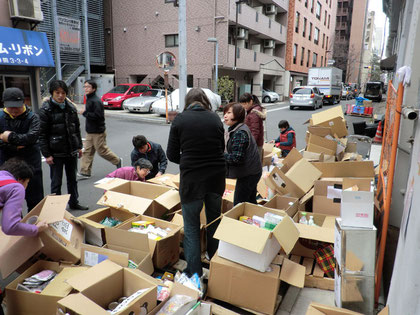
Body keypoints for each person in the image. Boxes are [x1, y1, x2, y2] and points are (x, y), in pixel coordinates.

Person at [167, 88, 226, 278]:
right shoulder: (215, 118)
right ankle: (214, 260)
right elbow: (221, 148)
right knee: (214, 222)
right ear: (204, 101)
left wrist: (189, 158)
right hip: (216, 178)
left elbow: (172, 154)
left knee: (191, 227)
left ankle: (194, 272)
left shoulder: (180, 119)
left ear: (188, 101)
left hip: (192, 181)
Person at [39, 80, 88, 210]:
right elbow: (41, 135)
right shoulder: (45, 110)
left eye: (63, 93)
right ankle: (56, 208)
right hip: (55, 153)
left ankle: (74, 202)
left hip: (71, 150)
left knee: (72, 180)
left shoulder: (70, 107)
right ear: (52, 93)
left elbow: (76, 129)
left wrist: (79, 147)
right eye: (57, 93)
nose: (60, 95)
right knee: (56, 182)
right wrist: (47, 154)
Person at [0, 87, 44, 210]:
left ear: (24, 102)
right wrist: (16, 145)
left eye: (17, 106)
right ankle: (16, 226)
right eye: (10, 107)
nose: (14, 110)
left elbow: (31, 137)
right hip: (7, 164)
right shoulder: (0, 116)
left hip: (31, 163)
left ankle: (35, 226)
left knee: (35, 200)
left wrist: (8, 137)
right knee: (11, 202)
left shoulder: (33, 117)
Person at [78, 80, 122, 178]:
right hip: (90, 131)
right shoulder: (89, 99)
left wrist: (84, 113)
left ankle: (117, 161)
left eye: (88, 87)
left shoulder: (96, 101)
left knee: (102, 151)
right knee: (87, 151)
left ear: (93, 89)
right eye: (85, 87)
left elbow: (98, 116)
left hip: (98, 131)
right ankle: (85, 171)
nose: (86, 89)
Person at [223, 103, 262, 205]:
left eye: (229, 113)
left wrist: (219, 155)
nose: (225, 115)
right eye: (225, 113)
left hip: (249, 174)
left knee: (239, 204)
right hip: (251, 171)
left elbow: (236, 158)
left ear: (237, 115)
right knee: (250, 202)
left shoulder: (240, 132)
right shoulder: (236, 128)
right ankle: (254, 218)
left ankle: (241, 221)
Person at [0, 158, 48, 236]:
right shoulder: (16, 187)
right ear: (21, 179)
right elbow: (10, 227)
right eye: (27, 182)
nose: (26, 187)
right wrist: (36, 228)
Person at [239, 93, 266, 159]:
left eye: (245, 104)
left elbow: (255, 130)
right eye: (242, 104)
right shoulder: (252, 110)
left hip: (255, 143)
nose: (243, 106)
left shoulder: (254, 112)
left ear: (251, 102)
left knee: (254, 164)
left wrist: (250, 145)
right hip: (255, 142)